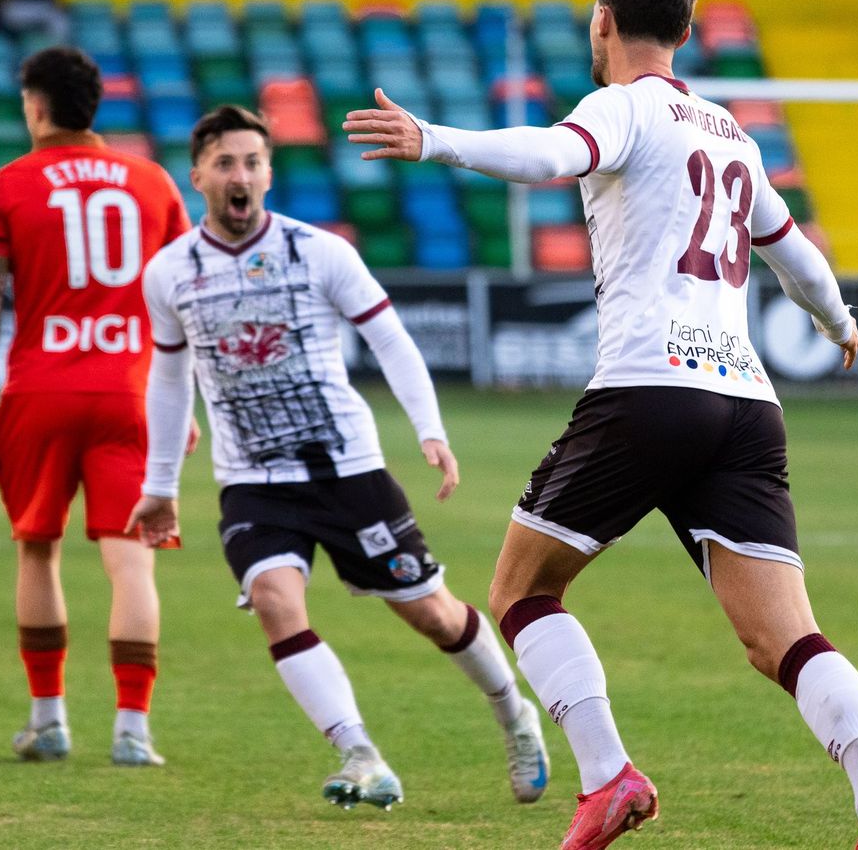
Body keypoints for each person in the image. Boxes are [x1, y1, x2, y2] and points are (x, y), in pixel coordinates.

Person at [344, 0, 858, 850]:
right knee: (783, 638)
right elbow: (794, 252)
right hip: (745, 403)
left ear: (603, 22)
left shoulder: (619, 106)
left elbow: (551, 155)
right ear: (687, 33)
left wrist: (438, 139)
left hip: (650, 388)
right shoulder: (731, 132)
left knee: (519, 590)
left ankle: (609, 774)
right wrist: (839, 321)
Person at [125, 105, 550, 812]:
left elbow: (390, 340)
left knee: (434, 615)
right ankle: (361, 754)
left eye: (253, 162)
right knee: (272, 600)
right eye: (226, 163)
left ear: (268, 173)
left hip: (346, 471)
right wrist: (160, 484)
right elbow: (170, 381)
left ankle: (514, 713)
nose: (241, 176)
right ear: (198, 175)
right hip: (253, 483)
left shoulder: (318, 251)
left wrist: (430, 430)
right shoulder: (170, 273)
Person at [0, 47, 194, 767]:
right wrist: (187, 410)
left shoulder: (4, 187)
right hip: (134, 392)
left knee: (38, 547)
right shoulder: (152, 184)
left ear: (35, 105)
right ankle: (132, 731)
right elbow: (188, 303)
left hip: (40, 390)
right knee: (132, 562)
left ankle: (49, 720)